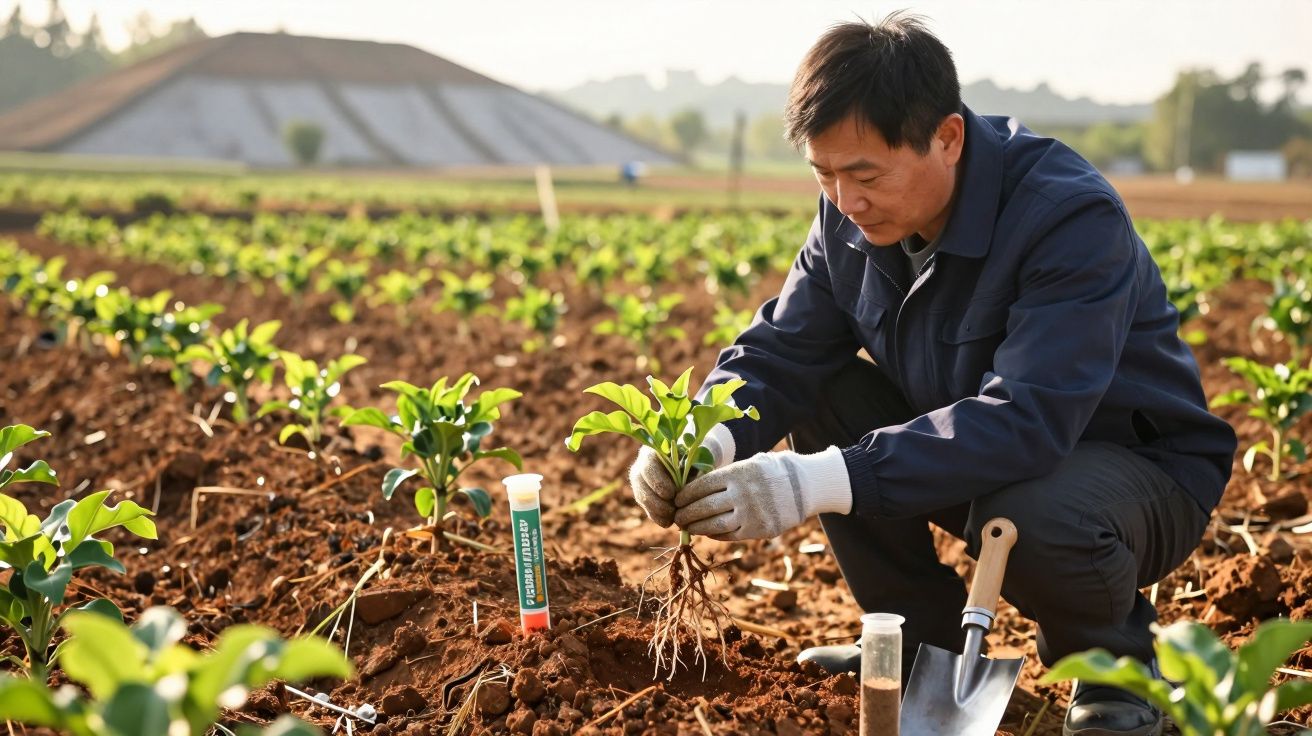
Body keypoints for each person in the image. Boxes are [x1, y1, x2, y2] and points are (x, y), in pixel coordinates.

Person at [626, 13, 1236, 736]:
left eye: (865, 175)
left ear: (947, 138)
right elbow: (783, 350)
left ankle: (1116, 667)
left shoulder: (1067, 216)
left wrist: (816, 480)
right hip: (976, 451)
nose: (846, 202)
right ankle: (915, 645)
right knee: (823, 391)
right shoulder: (848, 218)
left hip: (1132, 472)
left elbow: (1029, 419)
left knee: (1032, 514)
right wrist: (702, 438)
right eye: (824, 175)